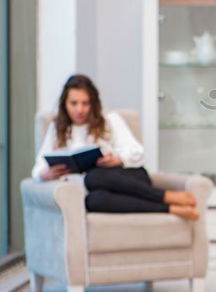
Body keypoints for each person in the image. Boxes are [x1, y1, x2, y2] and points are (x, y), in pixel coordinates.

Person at [32, 74, 200, 220]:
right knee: (93, 201)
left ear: (94, 103)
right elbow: (38, 168)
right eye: (74, 103)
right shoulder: (57, 128)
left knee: (93, 177)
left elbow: (138, 153)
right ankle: (171, 208)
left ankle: (165, 195)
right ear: (65, 104)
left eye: (85, 103)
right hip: (97, 189)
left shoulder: (110, 120)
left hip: (130, 178)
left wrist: (118, 159)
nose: (80, 109)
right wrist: (45, 174)